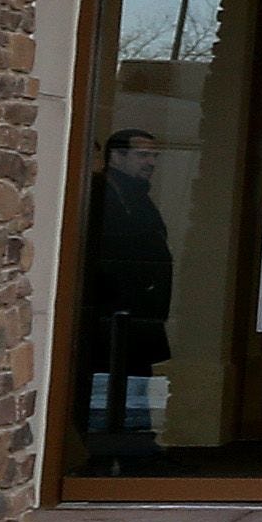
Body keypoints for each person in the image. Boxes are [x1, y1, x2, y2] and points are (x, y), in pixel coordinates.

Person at [76, 127, 174, 468]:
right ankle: (112, 450)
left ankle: (134, 445)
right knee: (112, 385)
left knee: (134, 382)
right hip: (114, 314)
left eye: (154, 156)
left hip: (136, 315)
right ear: (117, 157)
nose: (151, 162)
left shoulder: (135, 194)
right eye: (143, 155)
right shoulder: (106, 193)